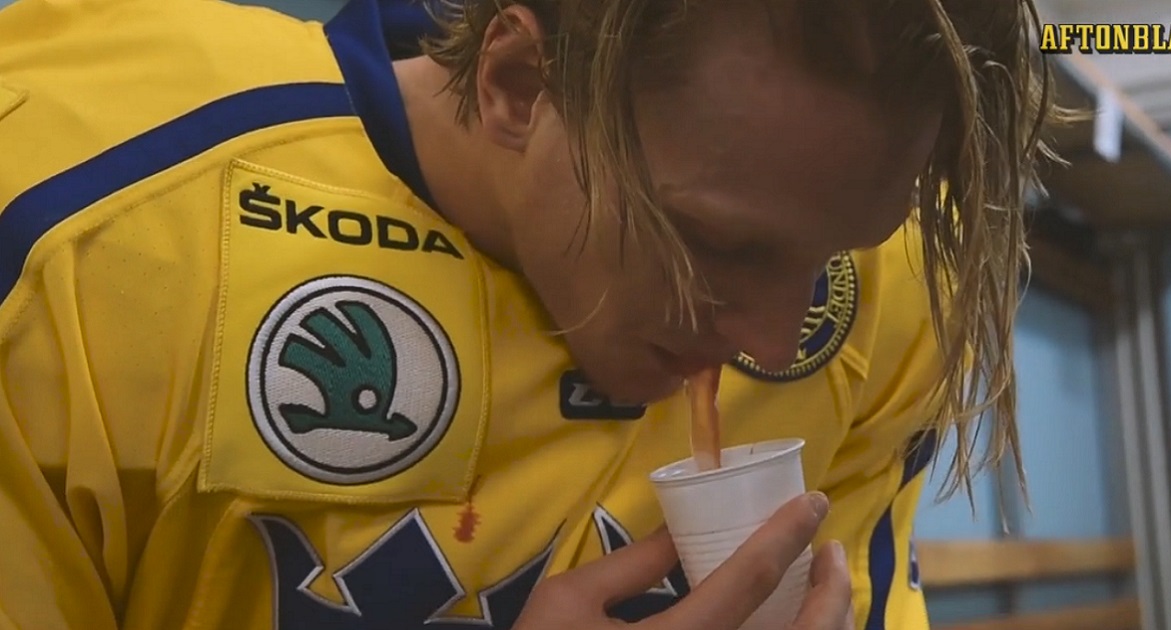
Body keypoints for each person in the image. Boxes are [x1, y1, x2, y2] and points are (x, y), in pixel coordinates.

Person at [0, 0, 1059, 628]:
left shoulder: (900, 290)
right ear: (515, 81)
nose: (775, 340)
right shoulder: (77, 230)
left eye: (835, 252)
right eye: (716, 246)